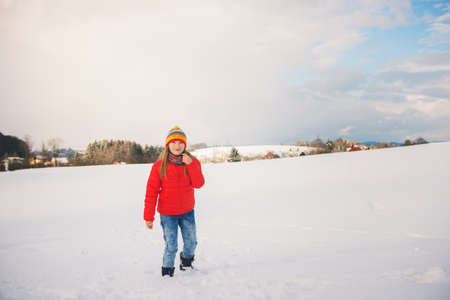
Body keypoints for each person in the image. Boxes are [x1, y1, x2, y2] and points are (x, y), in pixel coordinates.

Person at [143, 126, 205, 277]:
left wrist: (190, 164)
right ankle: (167, 272)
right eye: (173, 142)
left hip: (187, 212)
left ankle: (186, 263)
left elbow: (199, 184)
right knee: (171, 245)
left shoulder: (192, 162)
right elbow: (151, 192)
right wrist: (148, 217)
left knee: (191, 243)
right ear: (167, 145)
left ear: (185, 145)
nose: (177, 146)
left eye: (180, 143)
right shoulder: (159, 167)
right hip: (168, 214)